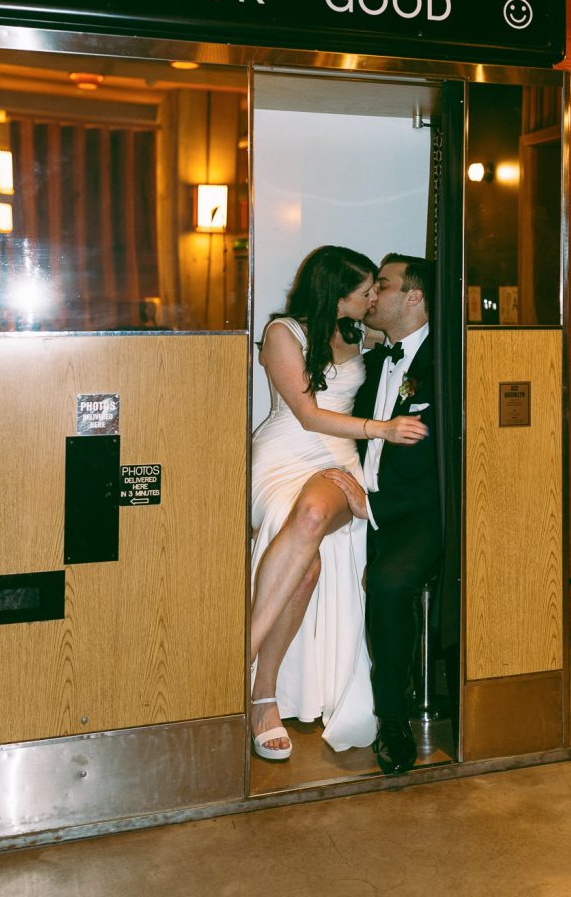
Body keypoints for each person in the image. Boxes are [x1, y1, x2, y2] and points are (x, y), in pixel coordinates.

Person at [250, 245, 428, 761]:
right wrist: (383, 429)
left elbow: (409, 342)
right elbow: (306, 414)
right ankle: (262, 693)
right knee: (303, 561)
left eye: (378, 287)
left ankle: (236, 664)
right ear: (337, 292)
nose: (373, 297)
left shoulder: (363, 334)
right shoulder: (285, 333)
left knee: (310, 522)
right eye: (365, 289)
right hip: (285, 457)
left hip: (338, 464)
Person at [323, 254, 442, 776]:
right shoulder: (373, 358)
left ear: (413, 298)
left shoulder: (448, 363)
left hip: (418, 511)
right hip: (363, 498)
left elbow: (449, 470)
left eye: (384, 287)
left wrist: (374, 506)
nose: (373, 298)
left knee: (391, 584)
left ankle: (392, 718)